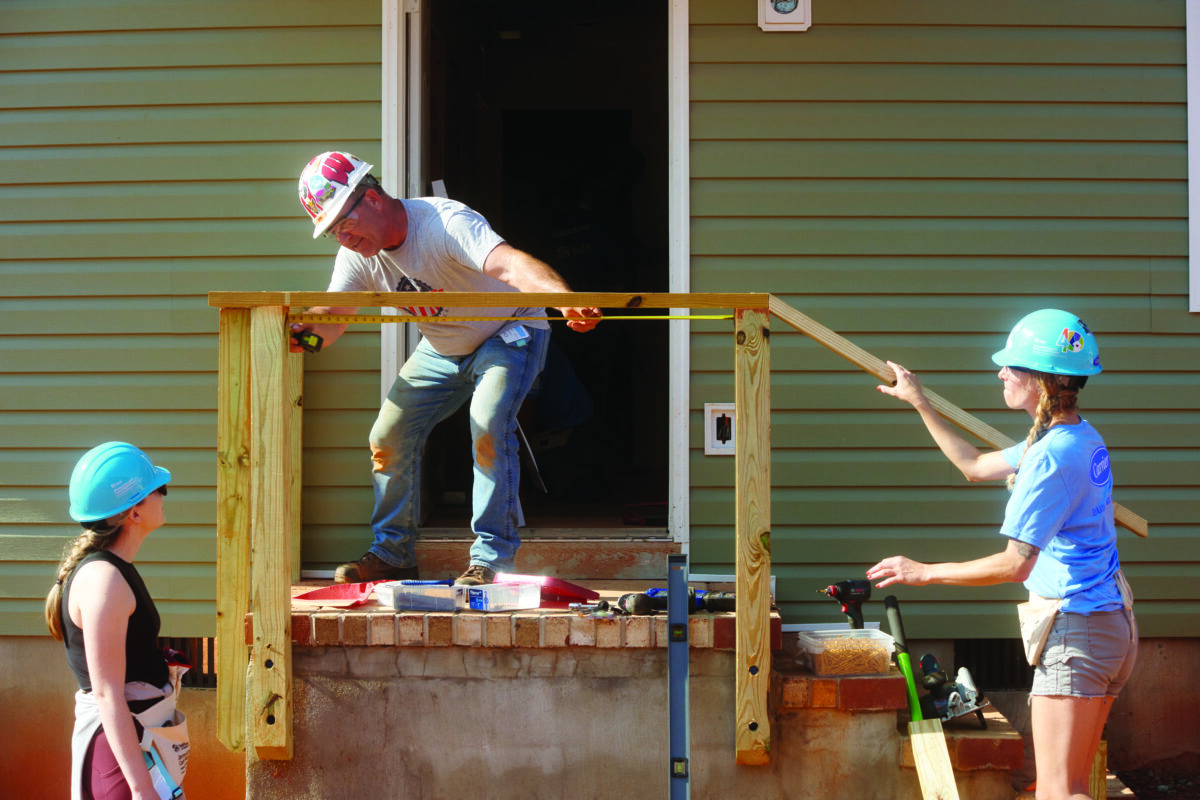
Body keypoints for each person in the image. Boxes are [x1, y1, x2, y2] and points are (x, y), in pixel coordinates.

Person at [292, 151, 602, 586]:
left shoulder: (444, 223)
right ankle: (393, 554)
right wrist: (303, 333)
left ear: (373, 198)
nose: (343, 238)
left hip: (508, 330)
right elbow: (335, 313)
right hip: (444, 346)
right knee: (387, 436)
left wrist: (561, 296)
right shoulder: (359, 256)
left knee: (488, 422)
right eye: (332, 233)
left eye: (345, 223)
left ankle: (491, 560)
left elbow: (510, 264)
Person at [865, 309, 1137, 800]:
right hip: (1108, 627)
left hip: (1078, 632)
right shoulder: (1070, 436)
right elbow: (972, 465)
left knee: (1059, 792)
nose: (1001, 373)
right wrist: (920, 402)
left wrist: (923, 572)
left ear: (1040, 381)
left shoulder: (1052, 456)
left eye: (1012, 366)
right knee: (1071, 786)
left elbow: (1016, 564)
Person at [45, 442, 184, 800]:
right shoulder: (103, 580)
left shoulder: (114, 571)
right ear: (133, 512)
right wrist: (140, 788)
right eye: (158, 489)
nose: (164, 495)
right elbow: (107, 693)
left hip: (134, 744)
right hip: (121, 759)